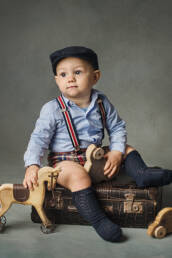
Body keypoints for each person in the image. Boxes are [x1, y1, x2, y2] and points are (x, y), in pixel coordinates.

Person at [23, 46, 172, 242]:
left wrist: (117, 152)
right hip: (65, 163)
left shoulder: (102, 102)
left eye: (77, 72)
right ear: (57, 80)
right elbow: (38, 138)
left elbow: (117, 127)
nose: (70, 78)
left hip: (96, 158)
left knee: (127, 149)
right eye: (63, 74)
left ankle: (142, 175)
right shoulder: (52, 109)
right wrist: (32, 164)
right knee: (78, 176)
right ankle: (100, 221)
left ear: (95, 77)